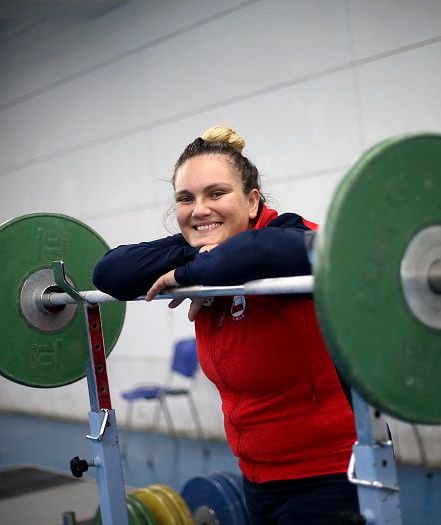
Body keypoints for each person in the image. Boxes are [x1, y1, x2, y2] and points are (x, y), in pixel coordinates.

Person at [93, 126, 359, 524]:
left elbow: (264, 250)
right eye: (186, 199)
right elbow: (110, 271)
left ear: (252, 201)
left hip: (330, 477)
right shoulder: (203, 253)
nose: (200, 210)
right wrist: (197, 259)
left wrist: (189, 273)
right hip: (257, 479)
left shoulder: (290, 238)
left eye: (216, 194)